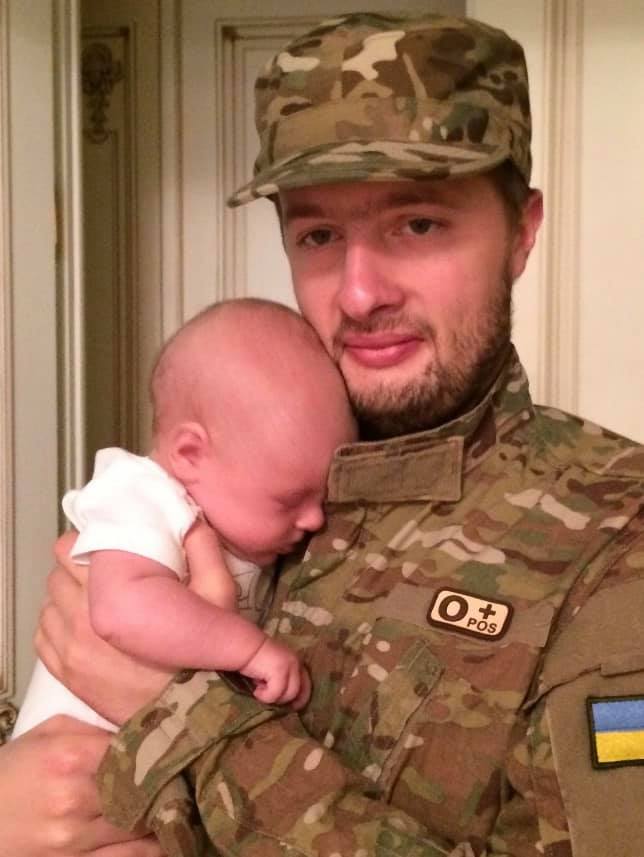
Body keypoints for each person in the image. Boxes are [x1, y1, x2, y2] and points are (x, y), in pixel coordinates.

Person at [6, 11, 644, 857]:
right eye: (318, 234)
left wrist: (189, 723)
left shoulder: (614, 538)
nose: (359, 293)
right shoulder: (233, 462)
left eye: (418, 223)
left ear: (522, 232)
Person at [12, 298, 356, 740]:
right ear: (190, 454)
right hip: (63, 755)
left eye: (322, 497)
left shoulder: (243, 525)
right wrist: (249, 649)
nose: (313, 519)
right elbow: (121, 610)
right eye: (289, 500)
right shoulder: (140, 493)